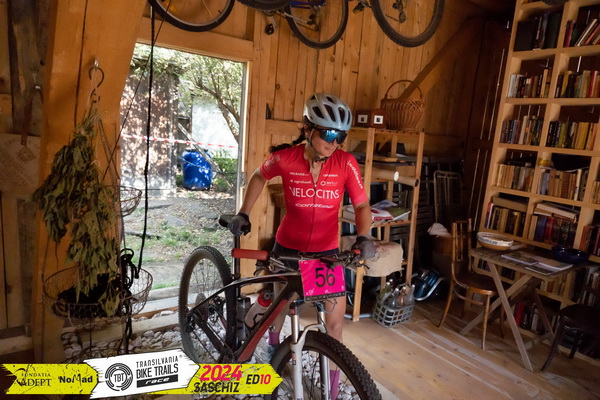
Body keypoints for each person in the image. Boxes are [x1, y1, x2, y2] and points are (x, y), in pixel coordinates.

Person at [228, 93, 376, 350]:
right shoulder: (286, 158)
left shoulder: (346, 163)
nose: (334, 143)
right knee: (281, 309)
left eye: (340, 137)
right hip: (287, 249)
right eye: (328, 134)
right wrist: (244, 212)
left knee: (335, 325)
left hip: (327, 254)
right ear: (308, 129)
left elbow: (362, 205)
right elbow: (258, 176)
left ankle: (334, 374)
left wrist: (364, 236)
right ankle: (274, 347)